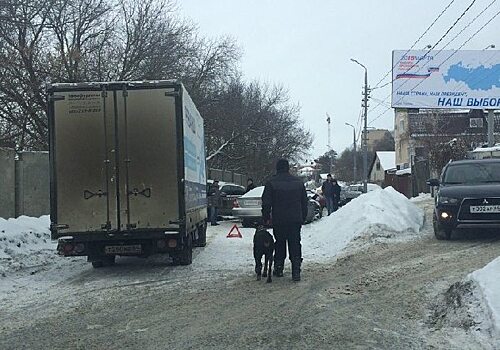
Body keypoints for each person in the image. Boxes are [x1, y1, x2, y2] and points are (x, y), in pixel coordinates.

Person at [262, 159, 308, 282]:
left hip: (279, 219)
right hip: (295, 219)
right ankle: (296, 269)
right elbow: (304, 202)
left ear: (277, 168)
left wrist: (266, 218)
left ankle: (278, 267)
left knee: (280, 243)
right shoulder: (298, 182)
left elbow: (266, 203)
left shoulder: (271, 182)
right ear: (288, 168)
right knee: (295, 243)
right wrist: (302, 217)